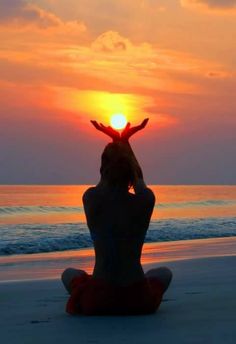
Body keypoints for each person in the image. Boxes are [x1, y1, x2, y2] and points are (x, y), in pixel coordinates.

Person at [62, 119, 172, 315]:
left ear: (103, 168)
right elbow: (139, 177)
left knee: (69, 274)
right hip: (137, 298)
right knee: (164, 274)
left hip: (99, 298)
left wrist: (116, 142)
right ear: (131, 171)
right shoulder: (145, 200)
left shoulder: (91, 199)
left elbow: (106, 179)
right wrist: (125, 142)